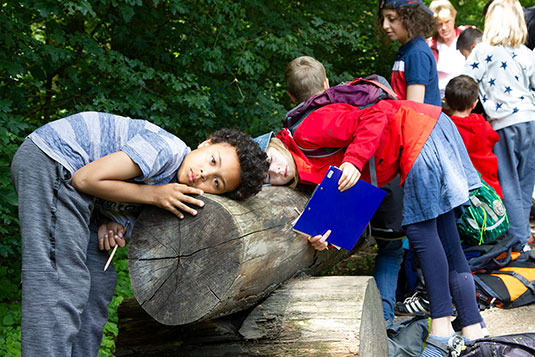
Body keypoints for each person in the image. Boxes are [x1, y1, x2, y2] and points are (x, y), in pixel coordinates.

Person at [10, 111, 268, 356]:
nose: (204, 173)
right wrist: (153, 195)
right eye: (213, 161)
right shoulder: (166, 150)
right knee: (60, 280)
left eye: (216, 182)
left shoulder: (173, 190)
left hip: (85, 199)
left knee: (98, 283)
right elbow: (85, 179)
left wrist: (113, 222)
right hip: (55, 161)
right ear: (206, 143)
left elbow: (121, 203)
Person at [274, 56, 406, 327]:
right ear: (326, 83)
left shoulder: (311, 121)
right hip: (384, 180)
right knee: (394, 249)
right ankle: (388, 316)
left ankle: (386, 319)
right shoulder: (326, 113)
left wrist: (354, 161)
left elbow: (375, 116)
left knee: (392, 249)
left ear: (290, 96)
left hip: (370, 183)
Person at [463, 0, 535, 251]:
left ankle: (517, 242)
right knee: (526, 184)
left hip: (504, 124)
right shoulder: (526, 53)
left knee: (509, 183)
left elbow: (463, 82)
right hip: (530, 120)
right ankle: (523, 237)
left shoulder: (483, 51)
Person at [445, 75, 503, 198]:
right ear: (475, 104)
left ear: (446, 101)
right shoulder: (483, 125)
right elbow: (494, 138)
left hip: (461, 192)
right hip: (489, 190)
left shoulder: (446, 127)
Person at [378, 0, 441, 106]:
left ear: (410, 19)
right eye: (383, 19)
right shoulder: (407, 51)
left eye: (391, 19)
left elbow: (414, 109)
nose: (385, 25)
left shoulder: (417, 54)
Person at [427, 0, 469, 98]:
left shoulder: (468, 37)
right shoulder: (429, 46)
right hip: (440, 102)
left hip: (467, 99)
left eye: (447, 22)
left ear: (454, 16)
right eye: (439, 24)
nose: (444, 28)